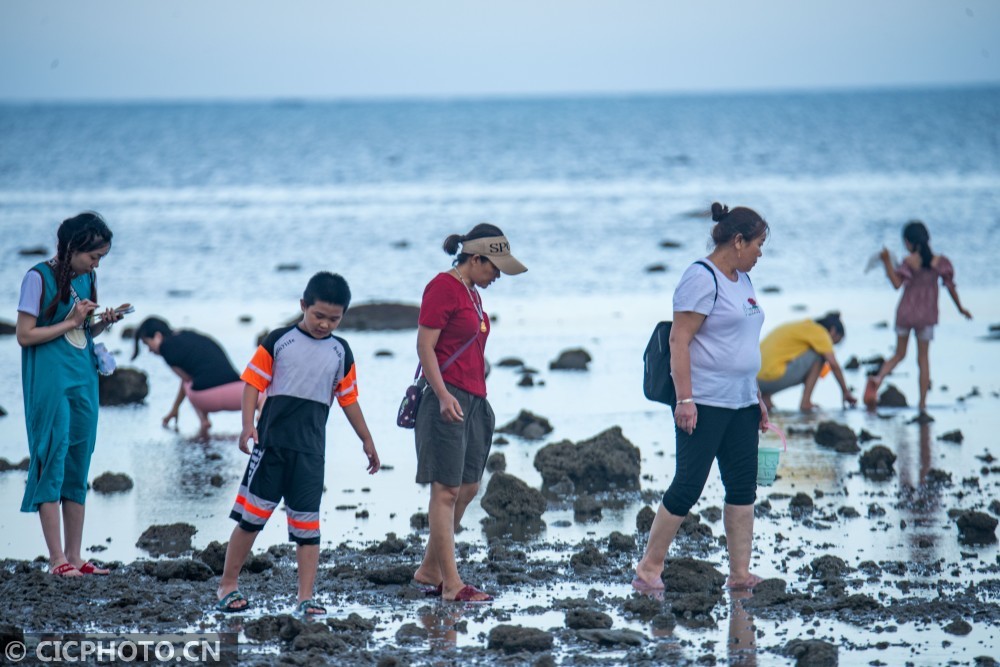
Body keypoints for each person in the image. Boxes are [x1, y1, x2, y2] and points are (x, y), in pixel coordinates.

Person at [215, 272, 381, 614]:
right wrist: (248, 425)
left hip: (310, 453)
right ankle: (227, 586)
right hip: (271, 447)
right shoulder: (279, 340)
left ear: (343, 316)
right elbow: (251, 384)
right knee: (251, 519)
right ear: (303, 306)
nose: (324, 324)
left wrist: (367, 439)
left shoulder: (341, 352)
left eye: (334, 319)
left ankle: (305, 599)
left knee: (308, 529)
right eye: (318, 315)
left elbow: (348, 399)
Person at [633, 202, 769, 593]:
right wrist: (685, 400)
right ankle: (648, 569)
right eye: (758, 244)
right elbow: (679, 340)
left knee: (743, 488)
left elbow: (742, 343)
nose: (760, 253)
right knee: (688, 485)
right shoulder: (701, 277)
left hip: (741, 403)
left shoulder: (742, 279)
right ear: (738, 241)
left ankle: (740, 574)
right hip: (705, 403)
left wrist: (756, 395)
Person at [410, 224, 527, 603]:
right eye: (494, 268)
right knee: (444, 492)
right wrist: (443, 395)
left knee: (469, 486)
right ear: (476, 258)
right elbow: (424, 347)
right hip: (447, 398)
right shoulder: (442, 287)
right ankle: (452, 585)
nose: (497, 277)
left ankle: (430, 568)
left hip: (476, 399)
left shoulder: (471, 293)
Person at [15, 211, 127, 576]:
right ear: (73, 248)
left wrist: (101, 324)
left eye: (101, 258)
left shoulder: (87, 278)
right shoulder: (38, 278)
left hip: (82, 375)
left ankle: (76, 555)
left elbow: (81, 334)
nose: (97, 264)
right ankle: (56, 559)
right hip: (49, 379)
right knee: (52, 454)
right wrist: (72, 321)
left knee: (79, 458)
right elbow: (25, 334)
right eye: (93, 256)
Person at [866, 221, 972, 415]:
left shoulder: (909, 262)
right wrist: (961, 309)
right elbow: (950, 287)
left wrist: (887, 262)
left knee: (899, 354)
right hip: (927, 315)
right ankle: (922, 403)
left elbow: (897, 284)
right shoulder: (940, 263)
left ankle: (879, 378)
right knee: (923, 359)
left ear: (908, 242)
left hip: (906, 313)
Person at [132, 316, 247, 437]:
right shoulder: (188, 334)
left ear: (157, 336)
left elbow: (186, 380)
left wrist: (174, 408)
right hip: (237, 388)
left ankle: (204, 420)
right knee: (197, 375)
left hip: (207, 398)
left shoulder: (166, 348)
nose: (149, 350)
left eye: (147, 343)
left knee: (189, 382)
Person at [757, 312, 857, 412]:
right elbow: (833, 364)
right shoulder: (820, 332)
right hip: (767, 377)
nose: (831, 346)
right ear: (833, 331)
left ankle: (765, 398)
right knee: (819, 357)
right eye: (834, 342)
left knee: (783, 357)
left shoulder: (804, 327)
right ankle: (806, 402)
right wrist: (845, 391)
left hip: (754, 381)